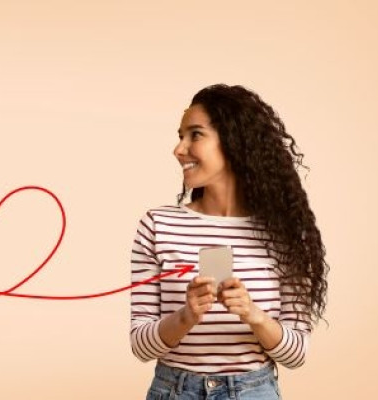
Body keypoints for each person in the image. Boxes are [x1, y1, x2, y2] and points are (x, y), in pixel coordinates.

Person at [130, 84, 328, 399]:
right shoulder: (157, 225)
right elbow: (140, 346)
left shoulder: (285, 233)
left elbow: (296, 354)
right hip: (174, 391)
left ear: (235, 142)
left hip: (254, 391)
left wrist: (254, 315)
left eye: (195, 135)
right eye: (180, 136)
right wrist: (186, 316)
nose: (179, 149)